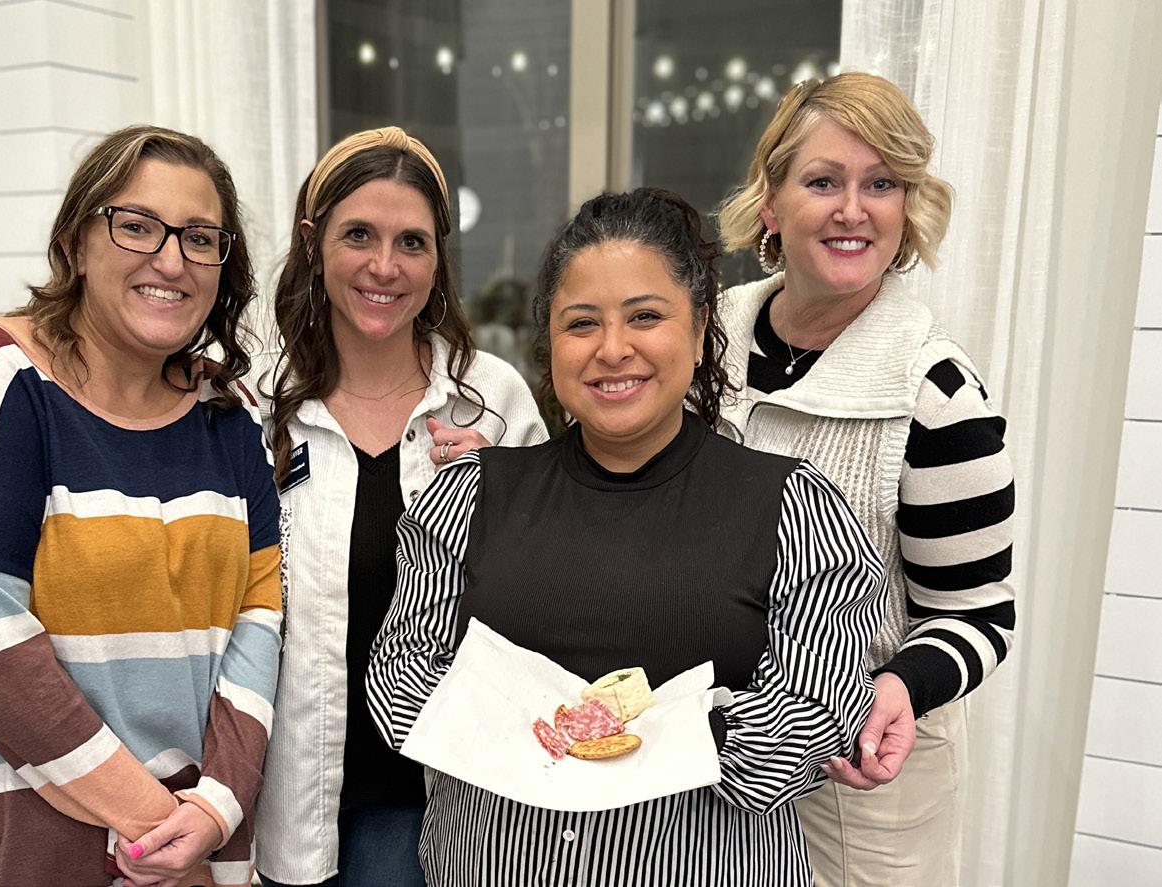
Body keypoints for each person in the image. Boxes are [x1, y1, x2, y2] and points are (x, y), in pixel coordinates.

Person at [366, 187, 888, 886]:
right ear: (550, 344)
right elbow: (398, 682)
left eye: (645, 316)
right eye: (582, 323)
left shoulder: (796, 509)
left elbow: (815, 719)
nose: (613, 349)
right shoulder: (469, 496)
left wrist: (618, 735)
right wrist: (578, 726)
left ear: (699, 329)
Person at [0, 125, 280, 887]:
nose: (171, 260)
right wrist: (156, 826)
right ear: (75, 243)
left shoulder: (228, 411)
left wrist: (218, 804)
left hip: (185, 831)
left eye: (200, 238)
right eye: (137, 225)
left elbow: (260, 613)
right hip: (4, 849)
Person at [715, 72, 1017, 887]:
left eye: (880, 184)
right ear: (770, 203)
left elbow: (977, 612)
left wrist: (900, 684)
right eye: (823, 182)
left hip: (860, 788)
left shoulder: (937, 397)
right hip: (710, 759)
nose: (853, 209)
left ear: (906, 207)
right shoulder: (706, 336)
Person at [248, 126, 546, 887]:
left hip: (439, 791)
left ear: (438, 259)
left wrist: (497, 494)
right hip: (287, 789)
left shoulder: (493, 400)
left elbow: (549, 596)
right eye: (359, 235)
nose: (385, 266)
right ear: (312, 244)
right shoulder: (254, 402)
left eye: (411, 242)